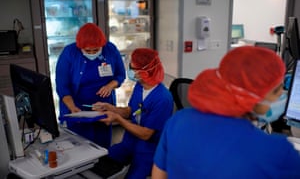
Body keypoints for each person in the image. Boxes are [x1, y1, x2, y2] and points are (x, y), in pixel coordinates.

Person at [152, 46, 300, 178]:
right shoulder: (278, 152)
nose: (282, 96)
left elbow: (159, 176)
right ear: (252, 97)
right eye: (277, 91)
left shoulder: (178, 121)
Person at [92, 48, 174, 178]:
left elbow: (146, 134)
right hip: (130, 142)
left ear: (144, 71)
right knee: (97, 163)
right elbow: (130, 111)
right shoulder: (140, 86)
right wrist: (110, 108)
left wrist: (118, 119)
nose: (129, 69)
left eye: (131, 67)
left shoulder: (163, 98)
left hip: (148, 150)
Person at [55, 23, 126, 148]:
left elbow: (120, 75)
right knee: (81, 148)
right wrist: (72, 107)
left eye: (96, 50)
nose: (92, 52)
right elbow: (62, 87)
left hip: (103, 109)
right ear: (80, 47)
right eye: (88, 50)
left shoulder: (111, 49)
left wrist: (110, 85)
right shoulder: (69, 53)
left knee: (103, 146)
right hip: (78, 109)